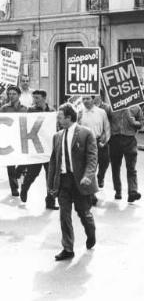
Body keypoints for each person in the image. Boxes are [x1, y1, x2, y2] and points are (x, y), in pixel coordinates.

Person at [47, 104, 97, 261]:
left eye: (60, 117)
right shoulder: (57, 136)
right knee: (64, 215)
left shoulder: (86, 133)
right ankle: (68, 248)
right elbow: (53, 162)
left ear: (69, 117)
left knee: (83, 213)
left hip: (80, 181)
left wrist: (88, 176)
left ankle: (91, 232)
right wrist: (50, 185)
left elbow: (92, 158)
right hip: (63, 181)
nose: (58, 119)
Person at [20, 90, 58, 209]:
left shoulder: (52, 111)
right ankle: (24, 188)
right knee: (32, 173)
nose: (34, 100)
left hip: (49, 148)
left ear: (44, 98)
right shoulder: (30, 111)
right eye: (34, 98)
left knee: (50, 176)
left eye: (37, 98)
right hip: (36, 147)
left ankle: (50, 201)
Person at [78, 94, 111, 204]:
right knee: (90, 167)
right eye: (83, 99)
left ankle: (100, 176)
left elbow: (107, 127)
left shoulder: (101, 112)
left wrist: (105, 140)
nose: (85, 101)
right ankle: (91, 194)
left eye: (88, 99)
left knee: (105, 162)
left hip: (99, 141)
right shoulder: (80, 112)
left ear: (93, 99)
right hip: (86, 143)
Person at [108, 104, 143, 202]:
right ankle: (118, 191)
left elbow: (141, 124)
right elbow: (107, 122)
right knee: (115, 167)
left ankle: (132, 192)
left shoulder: (136, 108)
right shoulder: (112, 106)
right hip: (115, 139)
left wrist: (133, 122)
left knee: (131, 167)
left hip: (130, 140)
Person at [0, 85, 28, 196]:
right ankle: (14, 188)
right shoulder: (4, 109)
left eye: (14, 94)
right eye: (9, 94)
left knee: (24, 163)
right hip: (9, 140)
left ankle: (22, 180)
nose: (11, 96)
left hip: (22, 140)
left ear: (19, 95)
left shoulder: (25, 109)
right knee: (10, 165)